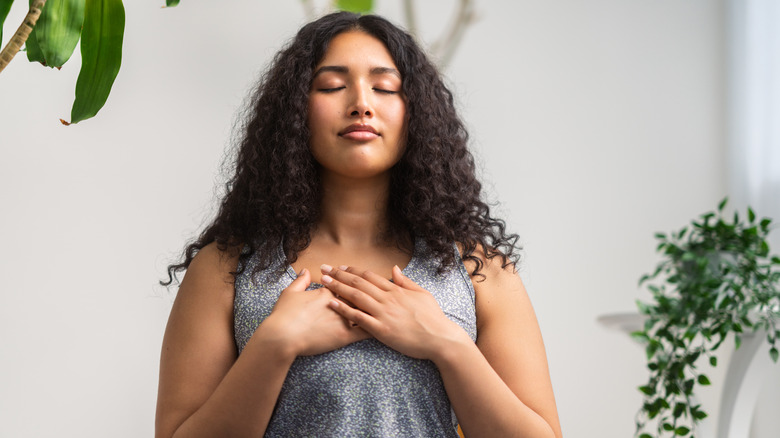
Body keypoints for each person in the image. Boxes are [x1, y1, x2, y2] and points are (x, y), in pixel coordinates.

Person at [155, 11, 562, 438]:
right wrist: (273, 345)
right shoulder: (225, 268)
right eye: (332, 85)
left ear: (416, 112)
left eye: (385, 87)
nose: (361, 104)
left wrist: (446, 342)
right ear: (294, 111)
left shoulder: (480, 269)